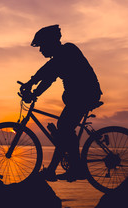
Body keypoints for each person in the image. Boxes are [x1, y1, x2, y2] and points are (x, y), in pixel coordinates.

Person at [20, 25, 102, 182]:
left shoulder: (67, 51)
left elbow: (49, 70)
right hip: (79, 96)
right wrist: (33, 89)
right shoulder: (59, 57)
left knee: (64, 127)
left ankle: (69, 169)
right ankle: (65, 168)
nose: (41, 50)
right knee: (64, 129)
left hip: (85, 95)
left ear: (51, 43)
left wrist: (31, 85)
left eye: (42, 46)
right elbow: (48, 76)